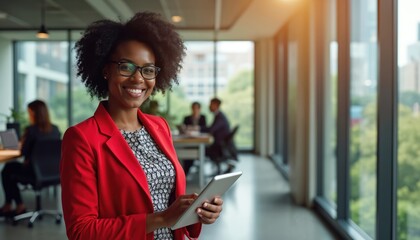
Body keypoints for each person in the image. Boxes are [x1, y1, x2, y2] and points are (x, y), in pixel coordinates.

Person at [60, 12, 223, 240]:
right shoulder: (81, 138)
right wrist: (162, 219)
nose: (138, 79)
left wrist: (197, 211)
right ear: (105, 70)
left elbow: (167, 198)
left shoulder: (159, 126)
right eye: (126, 67)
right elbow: (81, 231)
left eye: (148, 70)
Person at [0, 100, 60, 217]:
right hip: (53, 173)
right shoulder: (55, 129)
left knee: (7, 169)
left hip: (34, 173)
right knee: (10, 169)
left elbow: (23, 153)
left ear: (33, 113)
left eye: (29, 112)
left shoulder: (31, 130)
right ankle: (12, 205)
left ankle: (15, 204)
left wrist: (22, 143)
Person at [204, 98, 235, 173]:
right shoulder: (218, 115)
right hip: (220, 143)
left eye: (211, 104)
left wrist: (198, 128)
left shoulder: (220, 117)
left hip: (218, 145)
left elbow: (211, 129)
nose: (209, 106)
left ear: (216, 105)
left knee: (203, 150)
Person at [181, 102, 207, 176]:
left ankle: (185, 174)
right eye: (193, 108)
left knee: (190, 157)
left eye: (196, 108)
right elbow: (183, 129)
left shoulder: (203, 118)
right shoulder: (186, 118)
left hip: (199, 142)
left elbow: (205, 128)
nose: (195, 110)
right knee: (186, 154)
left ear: (199, 109)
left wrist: (197, 128)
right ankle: (183, 174)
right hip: (188, 141)